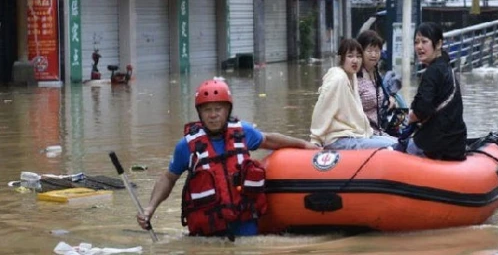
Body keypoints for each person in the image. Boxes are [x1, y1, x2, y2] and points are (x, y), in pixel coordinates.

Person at [136, 78, 316, 240]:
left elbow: (269, 140)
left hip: (246, 229)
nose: (213, 115)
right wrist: (150, 208)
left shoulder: (243, 132)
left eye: (218, 109)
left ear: (227, 110)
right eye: (207, 110)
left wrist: (305, 145)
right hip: (208, 235)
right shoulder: (186, 146)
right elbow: (168, 178)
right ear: (200, 113)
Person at [396, 22, 467, 160]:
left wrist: (408, 118)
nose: (419, 47)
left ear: (438, 44)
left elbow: (422, 110)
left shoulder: (433, 72)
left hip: (436, 145)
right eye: (416, 42)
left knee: (393, 152)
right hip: (455, 143)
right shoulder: (445, 67)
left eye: (424, 41)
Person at [310, 38, 397, 149]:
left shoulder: (352, 76)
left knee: (397, 142)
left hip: (357, 135)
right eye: (350, 56)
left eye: (358, 56)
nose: (355, 60)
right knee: (392, 147)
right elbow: (322, 110)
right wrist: (316, 140)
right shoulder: (337, 79)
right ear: (340, 58)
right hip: (339, 139)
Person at [356, 30, 400, 137]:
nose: (374, 55)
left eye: (377, 51)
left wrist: (389, 98)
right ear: (360, 52)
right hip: (365, 133)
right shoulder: (354, 78)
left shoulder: (376, 74)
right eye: (369, 51)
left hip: (380, 128)